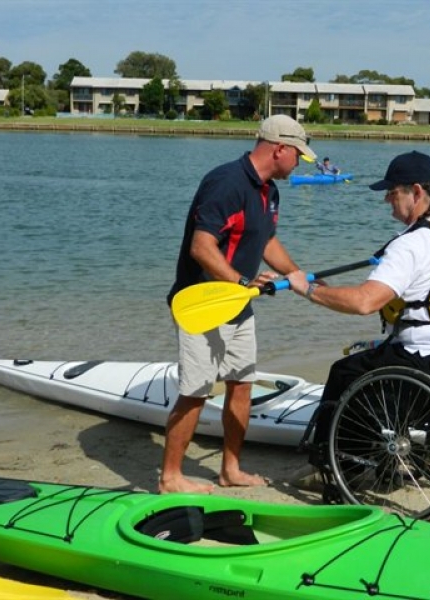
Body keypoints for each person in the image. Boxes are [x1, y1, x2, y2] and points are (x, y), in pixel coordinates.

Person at [286, 150, 430, 472]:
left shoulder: (411, 244)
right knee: (375, 353)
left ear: (416, 192)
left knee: (343, 373)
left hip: (425, 360)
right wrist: (320, 284)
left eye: (392, 193)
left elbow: (365, 302)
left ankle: (337, 470)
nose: (387, 203)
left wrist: (307, 290)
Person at [160, 115, 316, 494]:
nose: (299, 162)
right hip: (202, 302)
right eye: (298, 155)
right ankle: (171, 477)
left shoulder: (269, 191)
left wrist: (298, 276)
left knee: (242, 384)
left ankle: (230, 469)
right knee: (196, 390)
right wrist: (243, 281)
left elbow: (266, 242)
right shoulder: (226, 182)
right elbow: (202, 247)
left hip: (238, 304)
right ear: (279, 148)